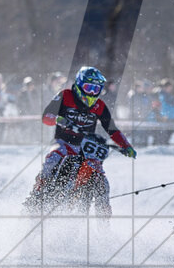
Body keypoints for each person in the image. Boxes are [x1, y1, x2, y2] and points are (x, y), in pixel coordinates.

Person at [23, 66, 136, 217]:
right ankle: (37, 194)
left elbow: (112, 129)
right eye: (88, 87)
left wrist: (126, 146)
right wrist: (58, 119)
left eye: (96, 89)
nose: (91, 93)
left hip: (86, 148)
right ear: (79, 84)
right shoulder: (66, 96)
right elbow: (46, 116)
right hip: (64, 143)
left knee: (102, 182)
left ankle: (104, 223)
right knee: (54, 156)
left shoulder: (99, 106)